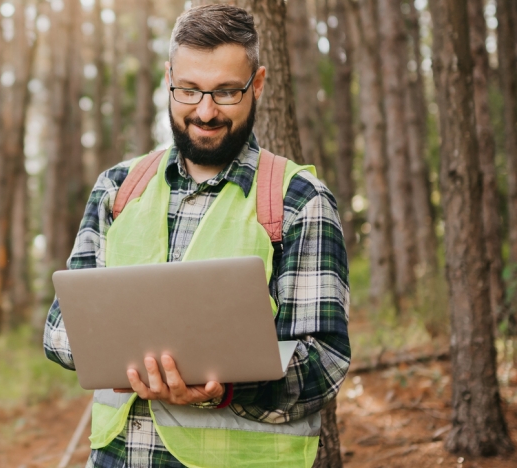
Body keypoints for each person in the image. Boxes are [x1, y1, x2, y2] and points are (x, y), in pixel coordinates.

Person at [42, 5, 351, 467]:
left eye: (226, 92)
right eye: (189, 90)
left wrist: (223, 389)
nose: (205, 112)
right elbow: (58, 330)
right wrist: (123, 355)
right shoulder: (117, 189)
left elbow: (324, 362)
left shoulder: (299, 201)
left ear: (258, 84)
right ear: (168, 79)